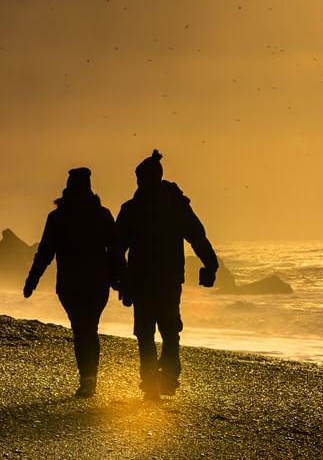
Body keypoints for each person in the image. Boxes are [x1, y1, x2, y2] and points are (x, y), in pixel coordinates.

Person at [116, 150, 217, 399]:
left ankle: (160, 380)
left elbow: (197, 236)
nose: (140, 184)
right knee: (158, 332)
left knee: (156, 332)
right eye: (138, 179)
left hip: (155, 280)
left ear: (154, 177)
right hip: (159, 280)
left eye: (142, 179)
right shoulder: (167, 206)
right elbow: (116, 248)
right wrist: (120, 280)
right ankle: (159, 380)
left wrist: (211, 265)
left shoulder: (149, 207)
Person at [24, 167, 120, 398]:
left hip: (70, 284)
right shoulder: (102, 214)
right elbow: (115, 252)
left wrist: (32, 280)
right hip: (97, 283)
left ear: (68, 187)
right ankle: (90, 379)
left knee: (81, 330)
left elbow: (45, 253)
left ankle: (87, 379)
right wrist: (120, 281)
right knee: (91, 328)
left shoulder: (58, 217)